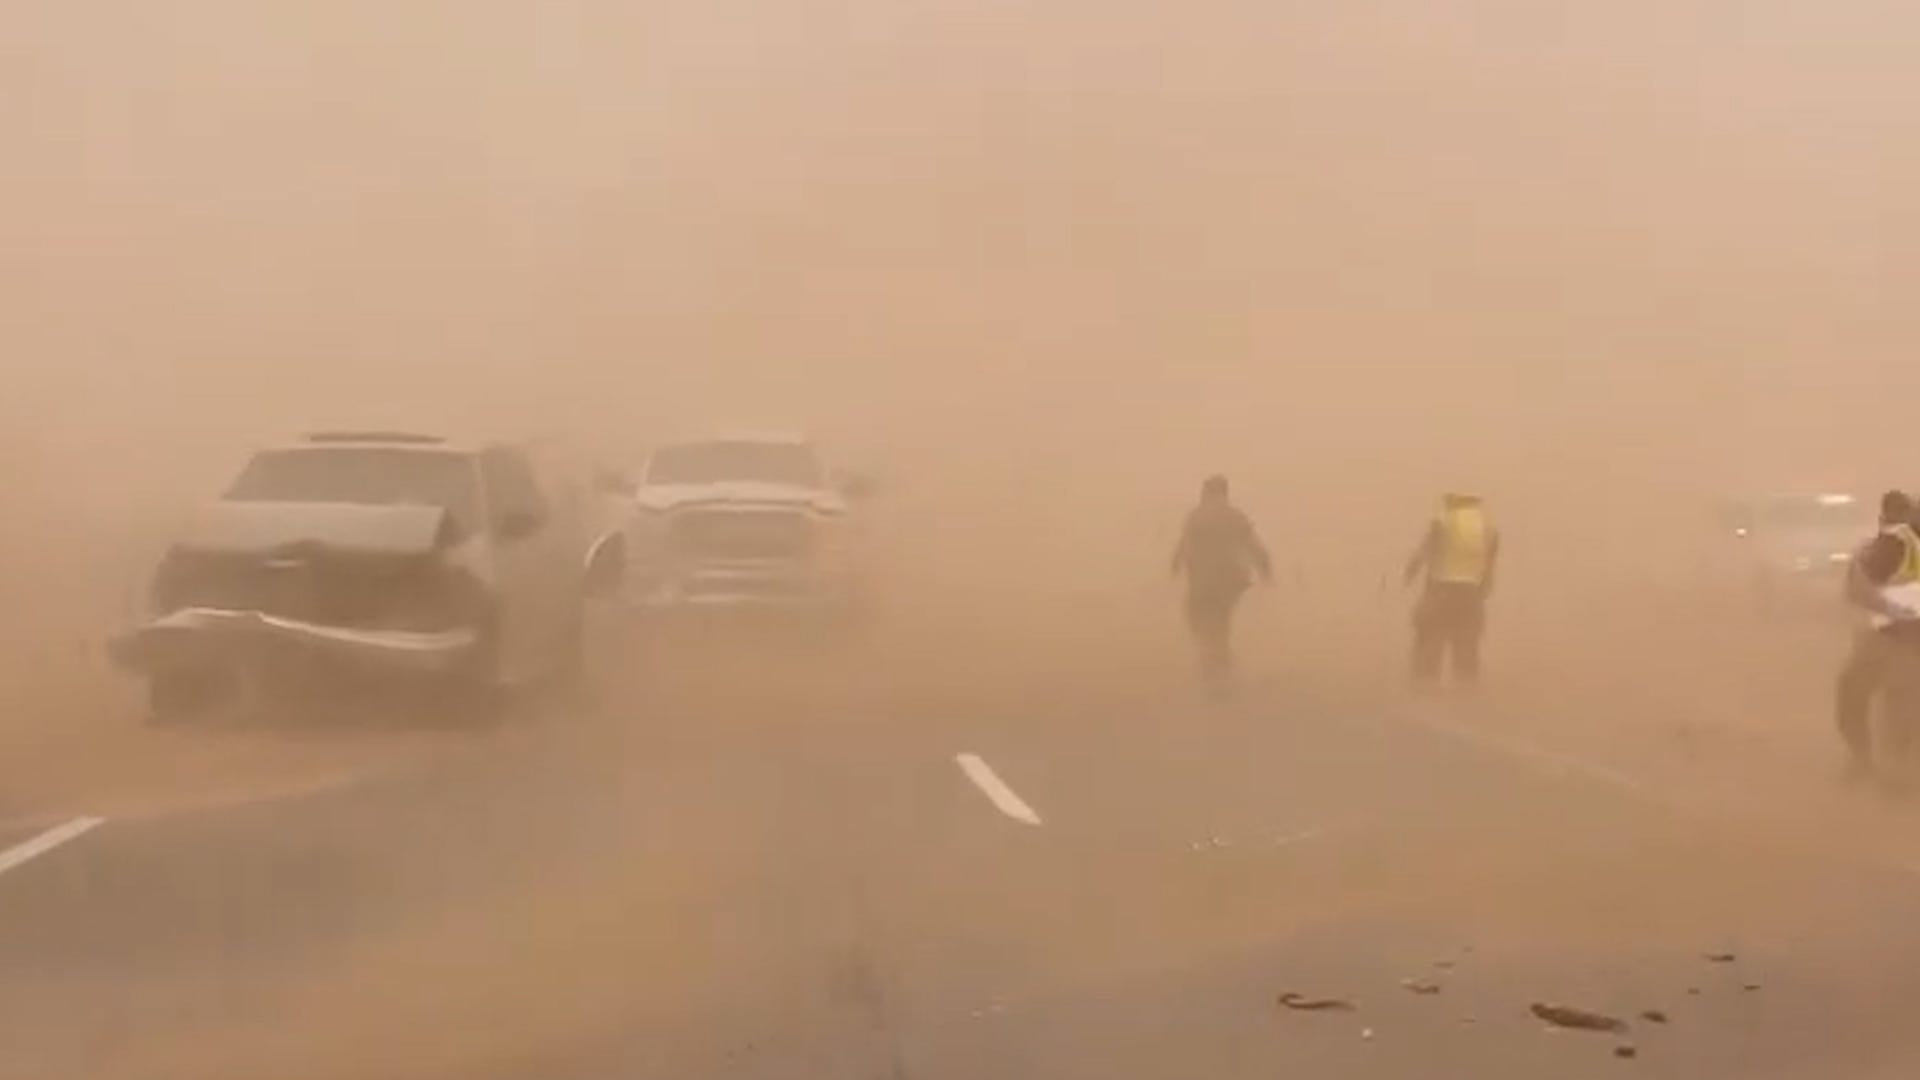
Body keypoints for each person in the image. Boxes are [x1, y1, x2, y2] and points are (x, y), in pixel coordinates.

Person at [1834, 489, 1920, 786]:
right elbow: (1857, 587)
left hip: (1898, 639)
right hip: (1891, 638)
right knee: (1879, 700)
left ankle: (1882, 769)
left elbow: (1856, 588)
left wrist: (1888, 608)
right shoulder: (1890, 544)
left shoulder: (1893, 542)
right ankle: (1875, 765)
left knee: (1894, 704)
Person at [1170, 475, 1272, 689]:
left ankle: (1214, 665)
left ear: (1206, 492)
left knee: (1200, 620)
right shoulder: (1235, 517)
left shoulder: (1197, 516)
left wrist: (1176, 567)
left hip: (1203, 580)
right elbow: (1254, 546)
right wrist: (1265, 570)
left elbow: (1184, 545)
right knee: (1220, 621)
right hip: (1230, 581)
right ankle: (1219, 664)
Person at [1403, 492, 1500, 686]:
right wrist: (1483, 591)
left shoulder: (1443, 519)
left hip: (1440, 590)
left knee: (1429, 642)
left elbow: (1424, 552)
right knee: (1467, 648)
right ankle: (1465, 700)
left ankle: (1425, 696)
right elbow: (1489, 567)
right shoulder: (1488, 527)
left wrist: (1409, 574)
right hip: (1471, 594)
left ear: (1452, 501)